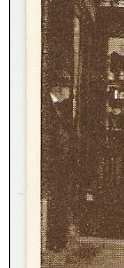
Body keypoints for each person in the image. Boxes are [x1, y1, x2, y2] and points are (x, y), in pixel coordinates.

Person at [43, 72, 75, 252]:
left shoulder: (58, 107)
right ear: (59, 88)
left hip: (61, 164)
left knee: (60, 201)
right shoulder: (48, 108)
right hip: (54, 165)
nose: (70, 92)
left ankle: (58, 239)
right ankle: (55, 240)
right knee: (56, 202)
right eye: (68, 88)